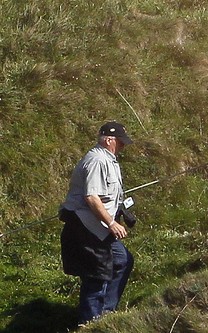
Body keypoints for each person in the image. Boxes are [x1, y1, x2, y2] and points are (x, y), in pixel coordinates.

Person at [59, 121, 134, 326]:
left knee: (123, 260)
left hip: (98, 228)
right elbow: (91, 197)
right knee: (96, 276)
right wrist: (111, 223)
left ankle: (107, 313)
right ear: (109, 140)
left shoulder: (109, 160)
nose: (123, 146)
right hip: (86, 228)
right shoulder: (97, 161)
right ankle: (90, 324)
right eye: (121, 142)